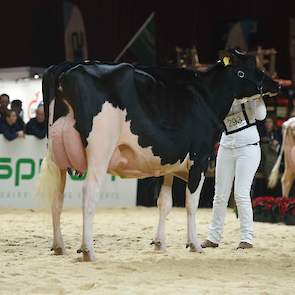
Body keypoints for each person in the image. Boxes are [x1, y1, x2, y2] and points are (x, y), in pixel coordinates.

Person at [202, 96, 267, 249]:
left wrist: (257, 97)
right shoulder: (224, 94)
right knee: (220, 195)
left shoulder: (250, 95)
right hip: (226, 146)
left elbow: (261, 115)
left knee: (241, 194)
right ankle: (213, 238)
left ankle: (247, 238)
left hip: (248, 147)